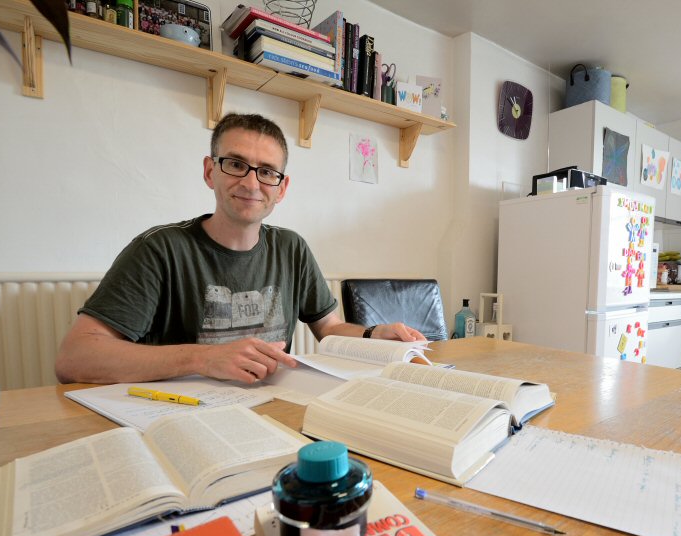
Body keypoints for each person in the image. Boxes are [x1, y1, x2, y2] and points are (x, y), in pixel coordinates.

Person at [55, 113, 423, 385]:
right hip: (182, 414)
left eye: (266, 171)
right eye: (235, 164)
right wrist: (204, 358)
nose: (251, 182)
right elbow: (74, 358)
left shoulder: (291, 248)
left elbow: (330, 328)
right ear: (209, 171)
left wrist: (376, 335)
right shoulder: (159, 250)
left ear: (281, 187)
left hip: (272, 407)